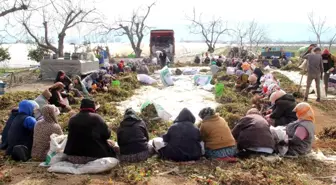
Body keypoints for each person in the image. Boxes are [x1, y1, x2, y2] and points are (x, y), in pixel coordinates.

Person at [64, 99, 116, 164]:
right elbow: (107, 135)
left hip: (72, 157)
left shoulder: (72, 119)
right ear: (93, 108)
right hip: (93, 157)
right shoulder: (96, 118)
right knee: (111, 144)